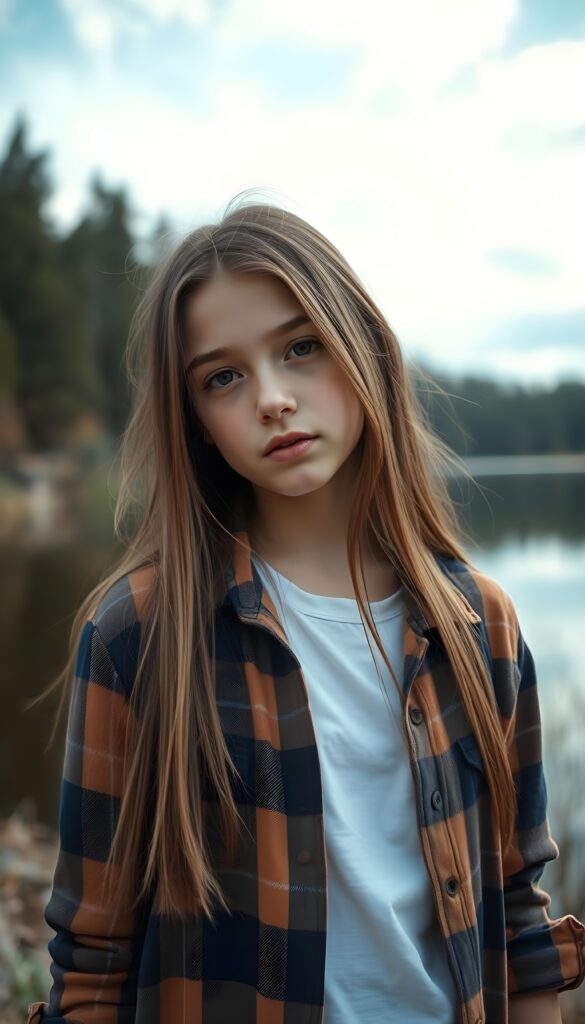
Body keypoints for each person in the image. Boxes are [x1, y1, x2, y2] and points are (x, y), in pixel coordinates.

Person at [27, 197, 584, 1024]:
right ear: (198, 424)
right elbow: (94, 964)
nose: (272, 398)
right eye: (223, 376)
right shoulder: (138, 635)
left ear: (362, 348)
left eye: (300, 348)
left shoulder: (480, 624)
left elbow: (517, 918)